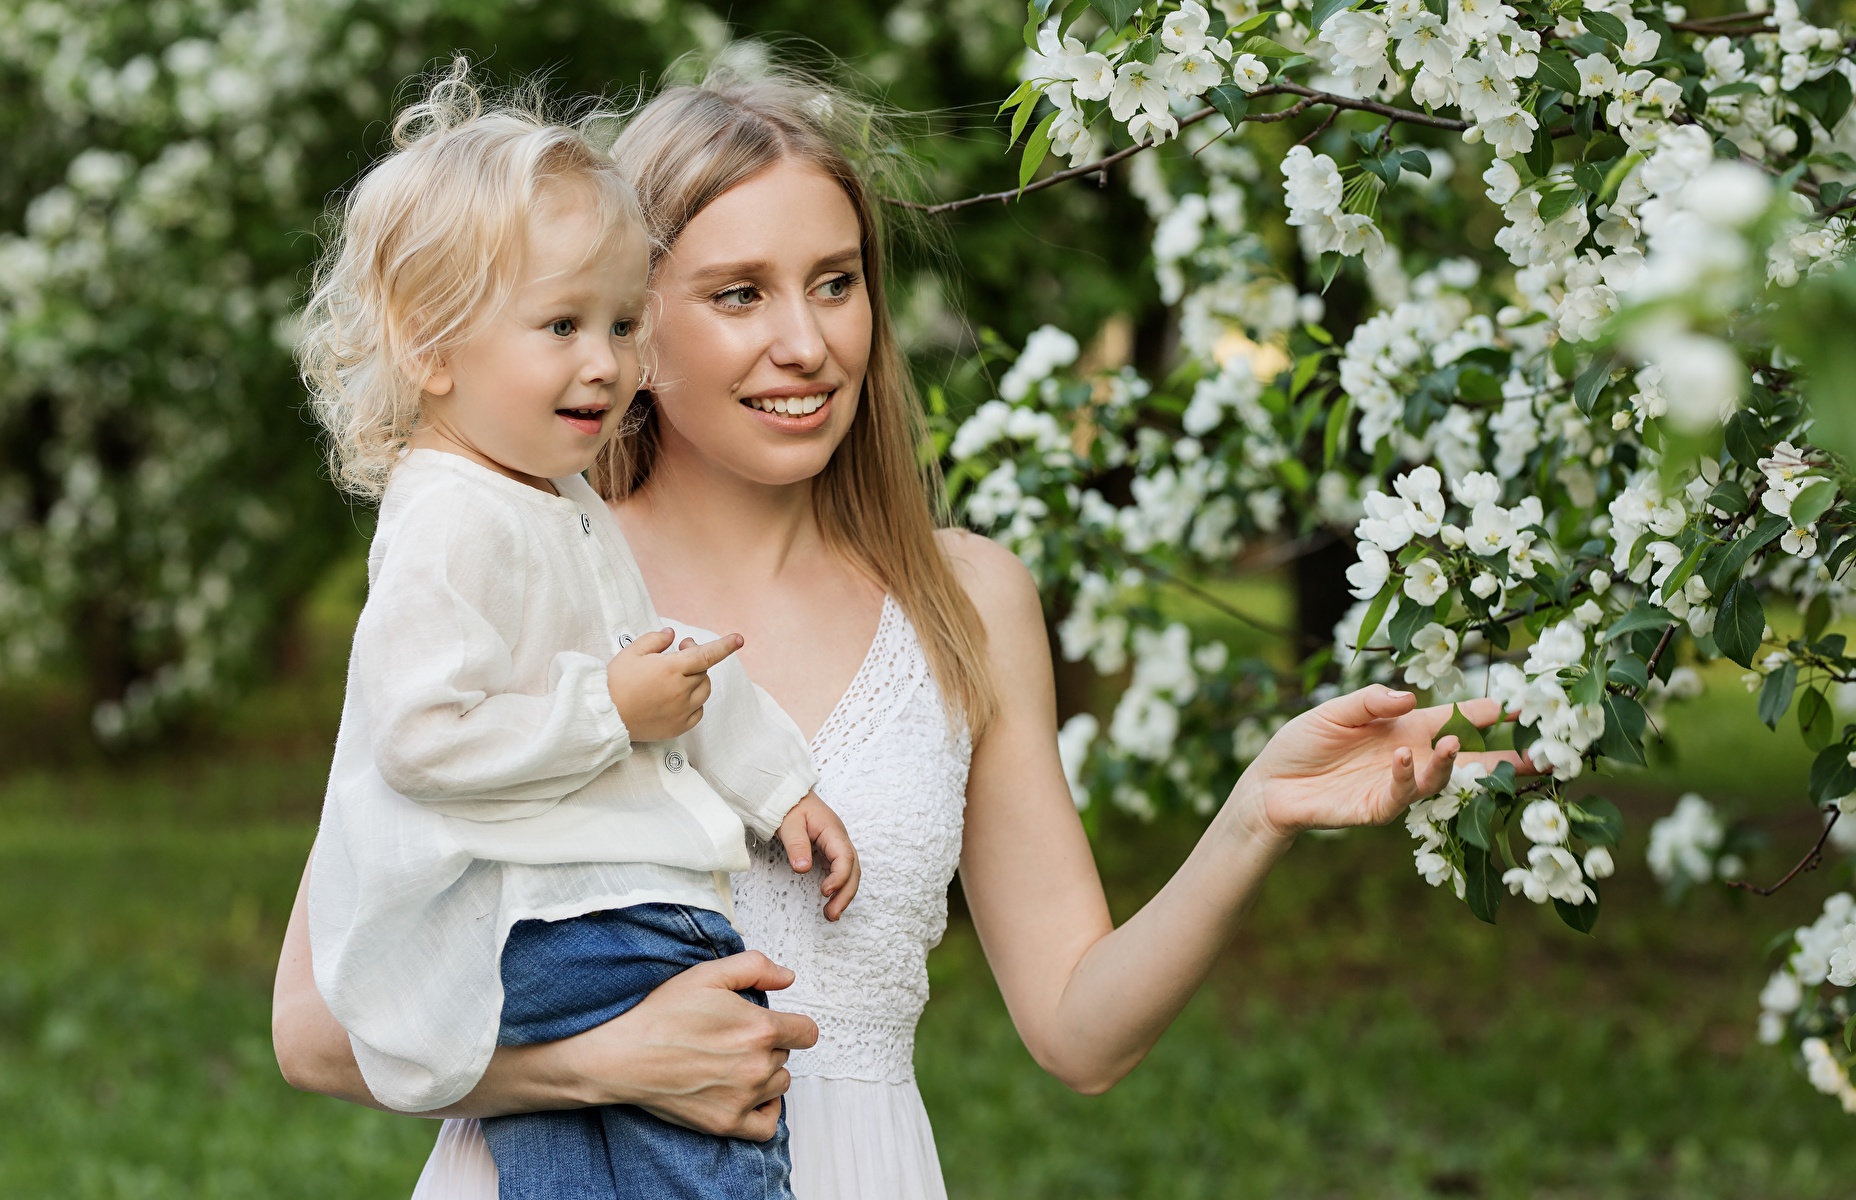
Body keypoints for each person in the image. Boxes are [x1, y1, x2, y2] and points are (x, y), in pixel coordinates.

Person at [273, 51, 1528, 1200]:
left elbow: (1080, 1033)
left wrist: (1259, 812)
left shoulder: (967, 598)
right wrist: (607, 1064)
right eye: (737, 293)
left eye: (835, 282)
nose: (807, 342)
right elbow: (318, 1029)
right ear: (634, 321)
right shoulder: (510, 557)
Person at [292, 61, 858, 1200]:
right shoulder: (452, 518)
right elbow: (424, 737)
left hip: (545, 929)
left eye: (618, 322)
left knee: (559, 1171)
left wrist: (776, 782)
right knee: (715, 1086)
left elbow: (660, 654)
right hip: (560, 926)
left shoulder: (543, 497)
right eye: (560, 324)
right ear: (429, 345)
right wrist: (609, 711)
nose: (604, 363)